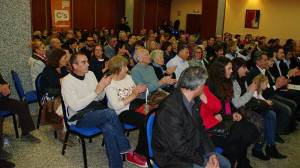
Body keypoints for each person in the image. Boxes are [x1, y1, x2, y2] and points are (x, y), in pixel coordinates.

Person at [61, 52, 131, 168]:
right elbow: (76, 107)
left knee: (108, 128)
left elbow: (99, 97)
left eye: (87, 61)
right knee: (110, 113)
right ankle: (124, 145)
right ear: (74, 66)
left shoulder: (91, 74)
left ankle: (116, 165)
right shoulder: (67, 82)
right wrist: (96, 91)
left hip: (95, 111)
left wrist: (103, 87)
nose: (88, 64)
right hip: (79, 117)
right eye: (84, 62)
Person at [153, 66, 231, 168]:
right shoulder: (169, 110)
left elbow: (201, 128)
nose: (205, 87)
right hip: (172, 156)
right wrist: (204, 162)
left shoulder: (194, 100)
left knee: (226, 164)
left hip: (191, 146)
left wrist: (210, 153)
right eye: (204, 84)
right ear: (198, 87)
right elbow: (178, 148)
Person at [201, 57, 258, 167]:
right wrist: (229, 116)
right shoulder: (209, 85)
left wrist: (233, 114)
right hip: (215, 125)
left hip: (226, 118)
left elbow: (227, 103)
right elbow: (213, 111)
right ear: (220, 70)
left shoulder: (225, 81)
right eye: (229, 68)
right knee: (241, 135)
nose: (232, 71)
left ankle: (239, 161)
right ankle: (240, 162)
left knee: (251, 130)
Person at [105, 56, 148, 167]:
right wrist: (134, 94)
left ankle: (153, 145)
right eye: (125, 66)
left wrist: (141, 91)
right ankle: (138, 154)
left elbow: (137, 94)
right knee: (146, 122)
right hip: (121, 112)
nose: (127, 69)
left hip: (134, 105)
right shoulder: (109, 83)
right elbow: (116, 107)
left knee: (155, 115)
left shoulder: (128, 77)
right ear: (118, 68)